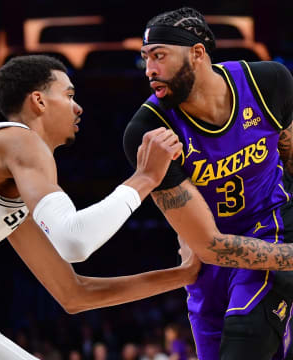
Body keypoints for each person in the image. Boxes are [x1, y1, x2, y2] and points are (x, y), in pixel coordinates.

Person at [0, 54, 201, 360]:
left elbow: (74, 294)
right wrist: (146, 178)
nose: (78, 107)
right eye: (69, 95)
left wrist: (183, 275)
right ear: (39, 101)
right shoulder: (19, 140)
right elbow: (75, 240)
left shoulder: (4, 180)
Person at [123, 7, 293, 360]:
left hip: (272, 226)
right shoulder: (149, 131)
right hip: (209, 256)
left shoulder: (267, 83)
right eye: (145, 59)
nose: (150, 70)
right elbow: (208, 245)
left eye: (159, 56)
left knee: (244, 340)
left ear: (197, 54)